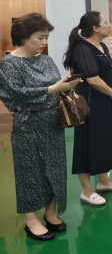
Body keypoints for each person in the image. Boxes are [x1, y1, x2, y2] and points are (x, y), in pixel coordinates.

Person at [0, 13, 81, 241]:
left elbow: (55, 85)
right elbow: (15, 95)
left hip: (52, 123)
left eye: (46, 38)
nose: (44, 42)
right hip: (27, 125)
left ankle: (50, 212)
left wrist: (67, 86)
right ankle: (31, 219)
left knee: (55, 168)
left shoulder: (46, 60)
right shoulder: (8, 64)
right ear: (23, 37)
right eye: (40, 38)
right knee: (29, 172)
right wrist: (52, 89)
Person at [63, 12, 112, 206]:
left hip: (106, 99)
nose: (110, 24)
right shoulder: (83, 49)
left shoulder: (102, 46)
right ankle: (86, 191)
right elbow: (93, 80)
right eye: (106, 22)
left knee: (105, 140)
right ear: (95, 28)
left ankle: (104, 182)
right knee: (87, 143)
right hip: (91, 102)